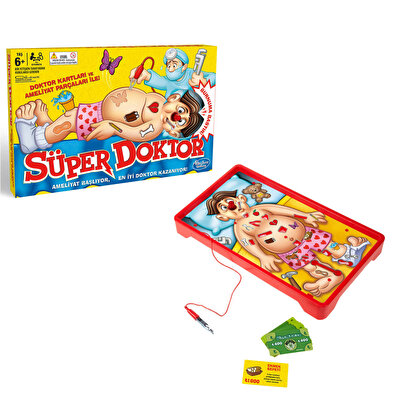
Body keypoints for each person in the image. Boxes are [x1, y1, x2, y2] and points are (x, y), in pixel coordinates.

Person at [206, 190, 370, 296]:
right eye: (225, 208)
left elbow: (283, 210)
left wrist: (306, 216)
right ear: (223, 217)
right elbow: (247, 242)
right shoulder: (240, 227)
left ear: (241, 198)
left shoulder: (260, 209)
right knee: (310, 266)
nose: (231, 206)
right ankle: (332, 276)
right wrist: (263, 256)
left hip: (307, 234)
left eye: (231, 201)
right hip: (290, 252)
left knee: (329, 245)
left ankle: (350, 252)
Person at [14, 87, 205, 154]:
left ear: (174, 132)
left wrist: (111, 127)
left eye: (181, 121)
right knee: (69, 116)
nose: (176, 116)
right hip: (98, 108)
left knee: (69, 121)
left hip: (99, 120)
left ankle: (33, 141)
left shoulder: (155, 126)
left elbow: (134, 133)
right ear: (174, 98)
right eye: (181, 110)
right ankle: (47, 127)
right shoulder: (160, 99)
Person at [129, 48, 216, 98]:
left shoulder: (193, 74)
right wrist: (146, 75)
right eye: (168, 65)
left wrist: (204, 82)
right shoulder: (169, 81)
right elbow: (160, 81)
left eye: (174, 65)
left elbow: (215, 77)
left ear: (184, 67)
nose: (170, 69)